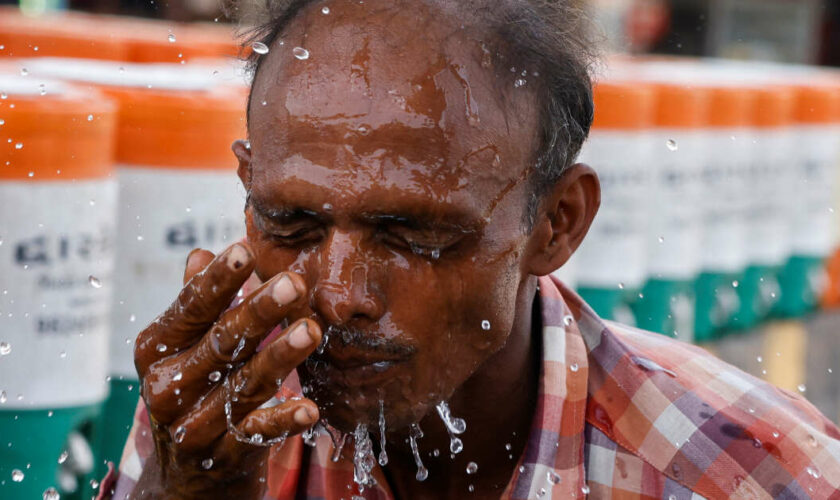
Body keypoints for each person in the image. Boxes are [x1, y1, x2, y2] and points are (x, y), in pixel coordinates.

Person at [99, 0, 840, 498]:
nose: (337, 291)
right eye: (291, 225)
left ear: (557, 224)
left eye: (414, 236)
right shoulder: (216, 413)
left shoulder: (748, 469)